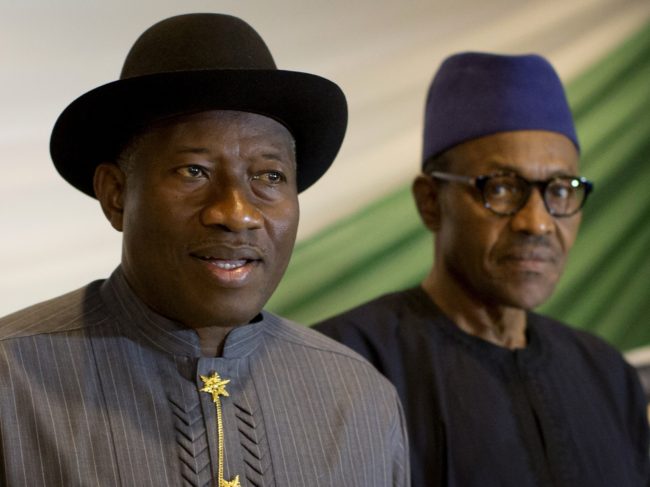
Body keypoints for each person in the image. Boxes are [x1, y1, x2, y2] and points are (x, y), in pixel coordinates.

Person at [0, 14, 409, 486]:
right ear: (116, 194)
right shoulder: (13, 381)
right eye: (193, 171)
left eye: (269, 177)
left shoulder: (359, 398)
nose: (236, 213)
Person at [315, 52, 649, 486]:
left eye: (561, 190)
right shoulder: (341, 366)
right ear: (430, 203)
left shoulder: (606, 375)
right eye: (503, 188)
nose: (538, 222)